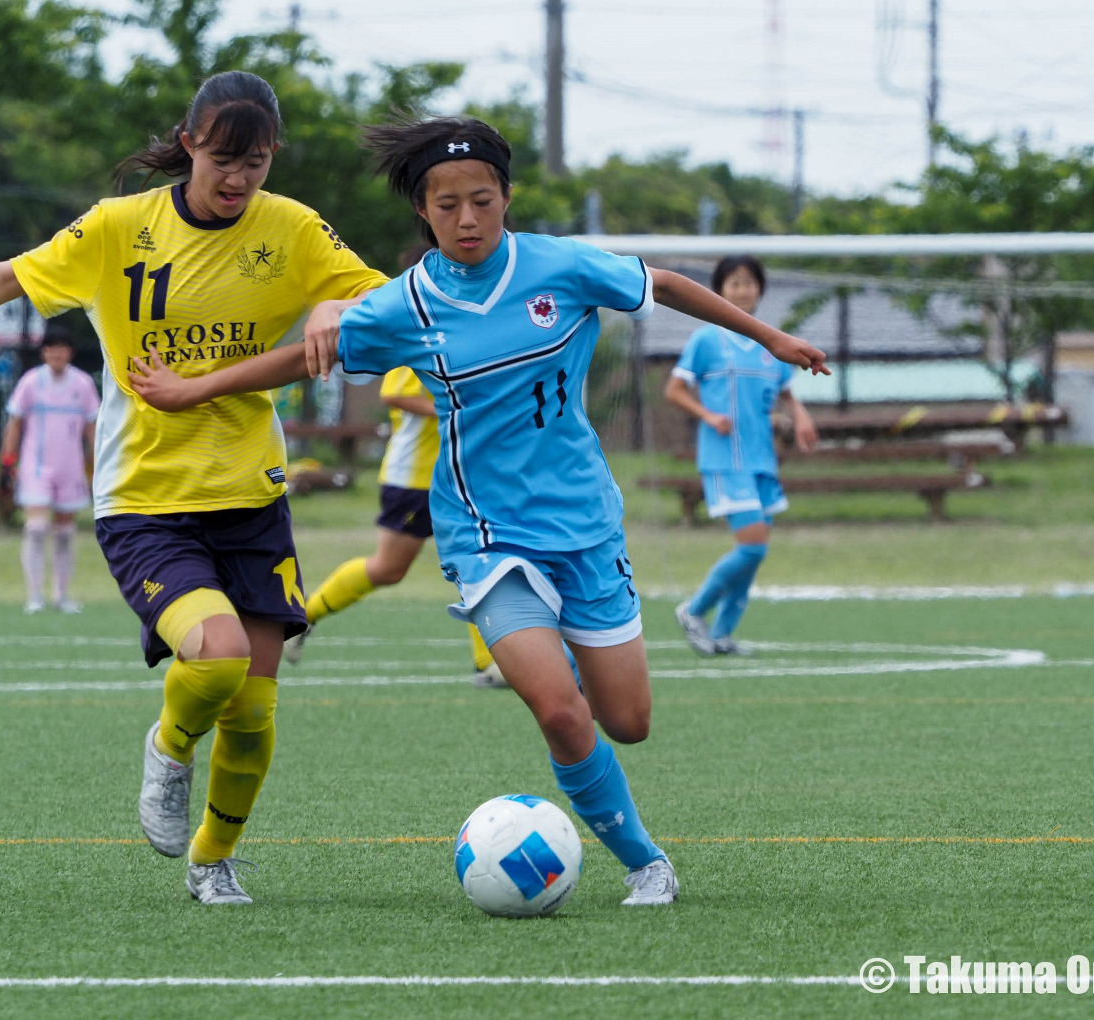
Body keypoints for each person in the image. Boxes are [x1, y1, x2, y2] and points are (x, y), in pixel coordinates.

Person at [125, 116, 829, 906]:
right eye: (448, 205)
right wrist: (194, 388)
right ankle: (646, 862)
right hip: (486, 532)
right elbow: (304, 354)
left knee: (626, 721)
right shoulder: (410, 303)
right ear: (423, 213)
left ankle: (573, 678)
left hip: (586, 523)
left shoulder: (559, 266)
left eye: (483, 201)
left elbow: (662, 285)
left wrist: (772, 338)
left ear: (506, 200)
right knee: (559, 711)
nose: (468, 220)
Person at [0, 71, 390, 905]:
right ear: (187, 144)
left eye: (254, 162)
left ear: (272, 157)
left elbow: (382, 299)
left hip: (251, 495)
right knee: (214, 660)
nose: (237, 178)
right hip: (146, 498)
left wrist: (339, 310)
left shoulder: (291, 230)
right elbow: (14, 273)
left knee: (255, 713)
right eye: (222, 158)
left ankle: (213, 862)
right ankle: (170, 748)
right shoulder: (119, 229)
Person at [284, 248, 505, 687]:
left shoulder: (470, 324)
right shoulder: (423, 325)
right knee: (389, 567)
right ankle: (301, 617)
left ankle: (489, 663)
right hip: (416, 476)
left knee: (480, 561)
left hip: (460, 473)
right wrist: (460, 407)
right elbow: (395, 394)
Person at [664, 255, 819, 655]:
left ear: (761, 289)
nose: (742, 290)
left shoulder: (770, 343)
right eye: (733, 283)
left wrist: (800, 416)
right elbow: (675, 390)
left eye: (749, 282)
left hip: (761, 459)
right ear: (719, 290)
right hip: (724, 458)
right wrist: (709, 415)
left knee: (754, 556)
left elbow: (786, 392)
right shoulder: (707, 340)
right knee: (752, 547)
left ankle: (721, 635)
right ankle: (694, 611)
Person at [0, 327, 100, 614]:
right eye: (51, 348)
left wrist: (95, 464)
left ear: (70, 352)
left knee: (65, 532)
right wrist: (8, 461)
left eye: (62, 347)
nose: (56, 353)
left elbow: (92, 428)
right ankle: (34, 596)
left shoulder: (82, 384)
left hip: (70, 468)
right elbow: (15, 424)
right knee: (36, 528)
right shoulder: (31, 382)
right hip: (36, 467)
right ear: (43, 352)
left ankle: (61, 595)